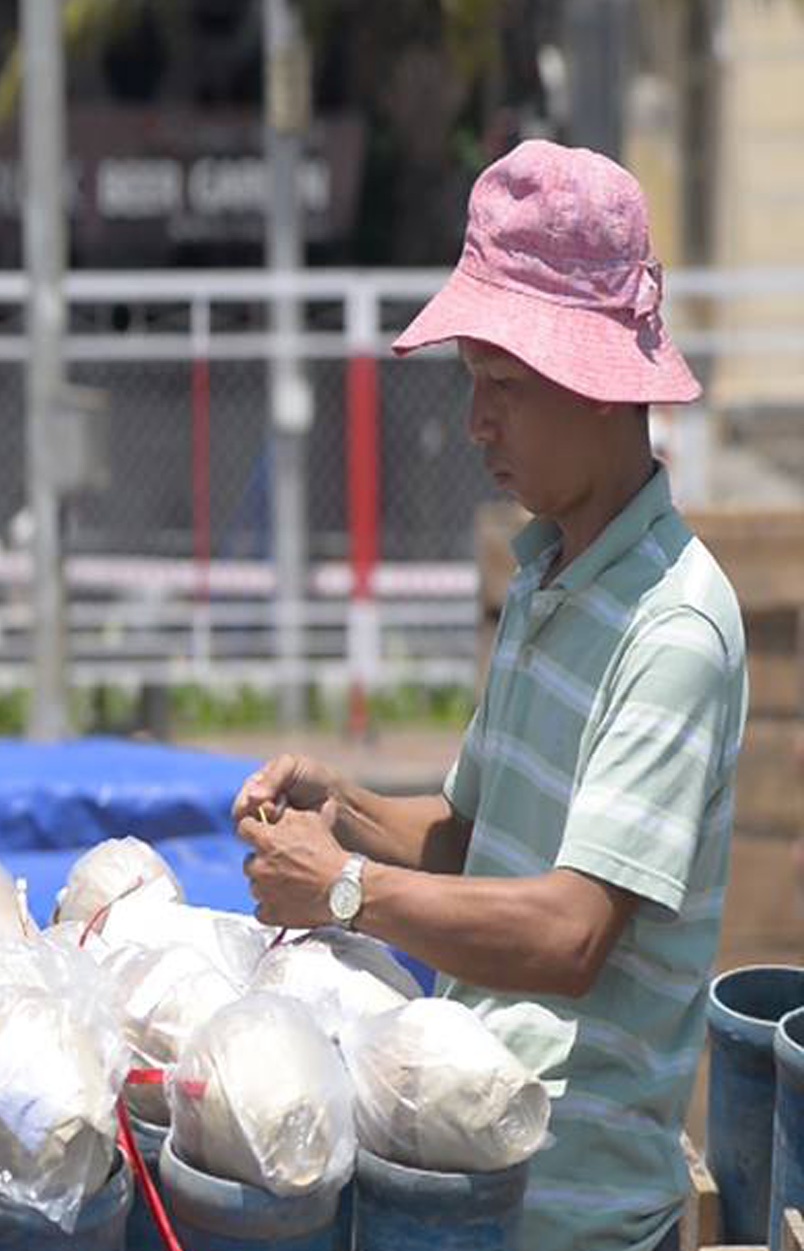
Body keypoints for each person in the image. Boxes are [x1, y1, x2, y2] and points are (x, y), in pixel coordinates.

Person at [234, 139, 744, 1251]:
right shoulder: (549, 574)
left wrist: (348, 890)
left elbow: (567, 932)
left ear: (600, 386)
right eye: (474, 386)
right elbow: (473, 840)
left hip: (572, 1209)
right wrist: (345, 807)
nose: (476, 425)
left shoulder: (675, 628)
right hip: (468, 1166)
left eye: (503, 388)